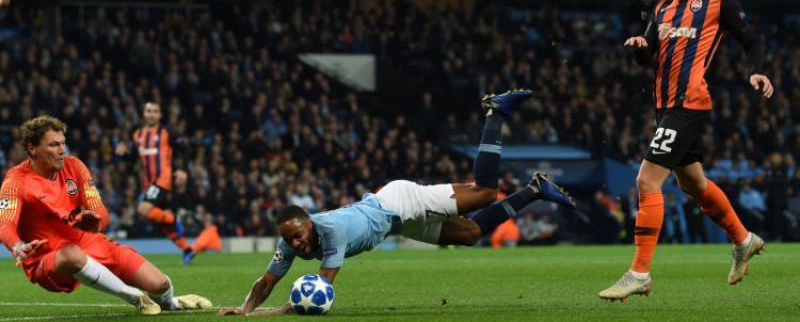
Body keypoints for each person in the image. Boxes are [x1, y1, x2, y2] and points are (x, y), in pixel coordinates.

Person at [218, 90, 576, 316]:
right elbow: (266, 281)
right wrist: (245, 308)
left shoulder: (331, 232)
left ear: (309, 222)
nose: (296, 243)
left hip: (399, 201)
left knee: (484, 193)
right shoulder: (291, 240)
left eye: (298, 235)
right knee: (470, 234)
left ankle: (495, 113)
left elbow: (320, 289)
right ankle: (535, 190)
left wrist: (273, 314)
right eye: (290, 239)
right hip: (397, 223)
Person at [599, 0, 774, 301]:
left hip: (689, 103)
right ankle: (744, 240)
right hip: (664, 106)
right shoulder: (661, 7)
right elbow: (648, 58)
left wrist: (757, 70)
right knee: (692, 184)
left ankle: (639, 273)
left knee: (647, 181)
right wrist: (639, 47)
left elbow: (750, 38)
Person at [0, 115, 212, 315]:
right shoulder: (15, 182)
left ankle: (173, 304)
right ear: (32, 148)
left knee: (159, 284)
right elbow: (4, 225)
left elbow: (100, 210)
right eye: (54, 145)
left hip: (88, 242)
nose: (62, 150)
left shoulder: (75, 166)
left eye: (63, 143)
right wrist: (17, 245)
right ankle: (134, 297)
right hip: (47, 259)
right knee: (72, 254)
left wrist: (96, 222)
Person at [115, 101, 219, 264]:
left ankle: (173, 219)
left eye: (155, 111)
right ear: (144, 114)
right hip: (148, 184)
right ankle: (187, 250)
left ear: (160, 115)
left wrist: (183, 169)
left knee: (143, 210)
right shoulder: (137, 135)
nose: (151, 114)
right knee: (164, 226)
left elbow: (185, 148)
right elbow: (132, 160)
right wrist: (124, 154)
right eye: (148, 111)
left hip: (162, 180)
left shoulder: (167, 132)